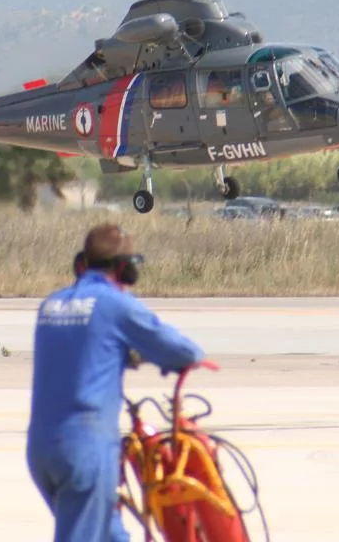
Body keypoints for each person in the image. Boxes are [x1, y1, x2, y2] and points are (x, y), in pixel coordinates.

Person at [27, 224, 206, 542]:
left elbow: (82, 350)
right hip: (85, 450)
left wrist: (124, 354)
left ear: (82, 264)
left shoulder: (51, 306)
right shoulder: (115, 304)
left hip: (42, 450)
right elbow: (181, 350)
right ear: (125, 269)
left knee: (111, 535)